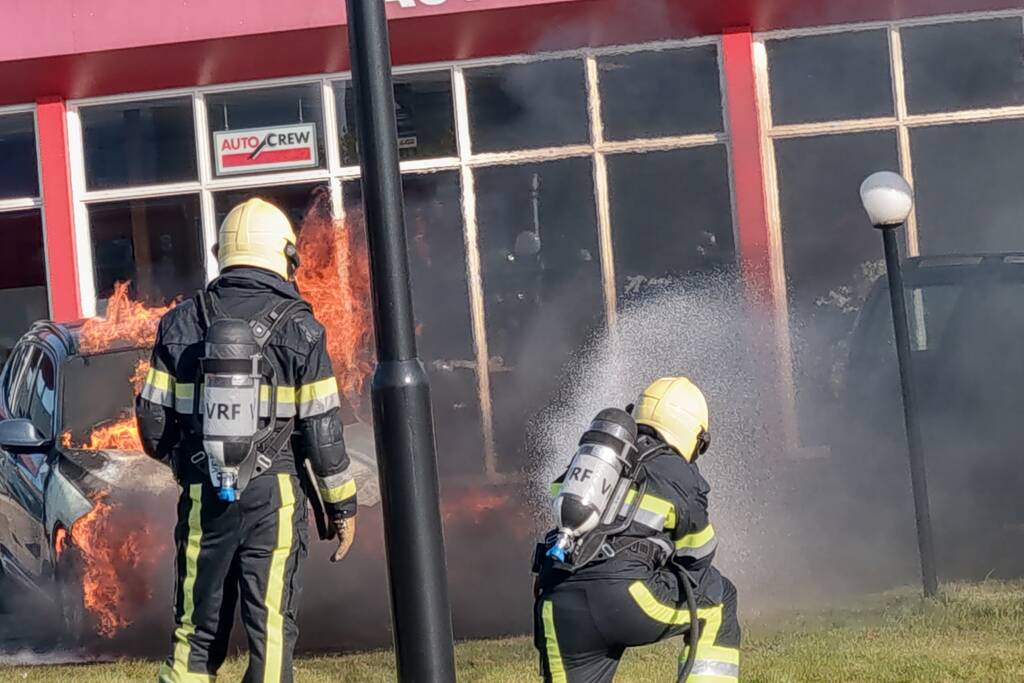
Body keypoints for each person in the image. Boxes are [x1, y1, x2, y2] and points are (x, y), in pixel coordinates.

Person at [136, 198, 358, 683]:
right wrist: (342, 509)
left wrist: (190, 464)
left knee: (194, 633)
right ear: (284, 255)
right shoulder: (302, 329)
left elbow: (153, 429)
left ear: (225, 252)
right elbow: (323, 432)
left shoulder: (179, 323)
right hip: (275, 498)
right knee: (271, 629)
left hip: (202, 495)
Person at [533, 377, 740, 683]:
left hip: (559, 604)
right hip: (629, 598)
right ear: (695, 437)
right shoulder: (676, 471)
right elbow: (699, 553)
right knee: (719, 597)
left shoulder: (593, 463)